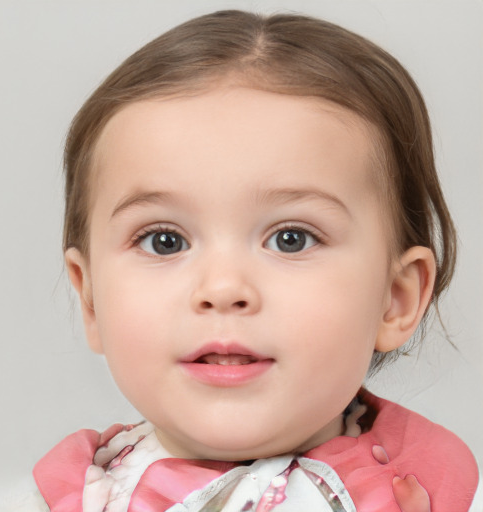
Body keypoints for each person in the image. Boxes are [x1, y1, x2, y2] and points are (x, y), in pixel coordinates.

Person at [33, 10, 479, 511]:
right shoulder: (54, 500)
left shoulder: (442, 494)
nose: (223, 288)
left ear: (395, 299)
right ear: (90, 297)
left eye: (291, 238)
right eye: (164, 241)